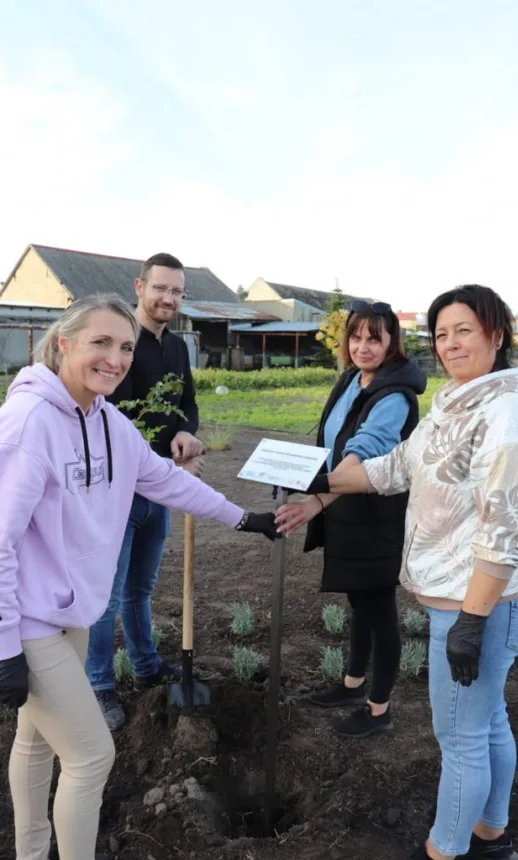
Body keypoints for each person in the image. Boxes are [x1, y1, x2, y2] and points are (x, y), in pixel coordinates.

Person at [0, 294, 278, 860]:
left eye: (125, 346)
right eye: (100, 343)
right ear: (63, 344)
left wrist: (245, 518)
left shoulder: (109, 423)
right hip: (28, 622)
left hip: (70, 615)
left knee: (36, 741)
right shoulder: (28, 423)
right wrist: (5, 644)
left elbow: (166, 480)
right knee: (92, 756)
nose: (116, 358)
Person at [276, 285, 518, 860]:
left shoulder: (506, 415)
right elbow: (394, 466)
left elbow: (507, 525)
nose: (450, 344)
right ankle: (489, 832)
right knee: (488, 718)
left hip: (480, 601)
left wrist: (472, 620)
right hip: (469, 597)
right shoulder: (455, 401)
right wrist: (316, 481)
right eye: (442, 333)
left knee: (460, 737)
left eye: (464, 330)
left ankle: (445, 850)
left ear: (497, 336)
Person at [285, 300, 426, 737]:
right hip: (346, 506)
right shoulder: (353, 379)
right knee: (359, 602)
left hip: (376, 515)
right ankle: (351, 684)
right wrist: (316, 489)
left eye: (375, 338)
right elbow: (331, 438)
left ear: (391, 342)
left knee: (378, 607)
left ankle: (379, 711)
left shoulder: (394, 395)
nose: (363, 346)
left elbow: (362, 451)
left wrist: (314, 490)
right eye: (356, 336)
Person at [86, 252, 205, 731]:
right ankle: (97, 685)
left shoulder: (176, 348)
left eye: (176, 291)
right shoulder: (120, 342)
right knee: (107, 596)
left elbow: (187, 405)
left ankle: (146, 665)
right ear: (140, 286)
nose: (168, 299)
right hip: (115, 490)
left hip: (158, 488)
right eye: (160, 288)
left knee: (141, 588)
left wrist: (185, 432)